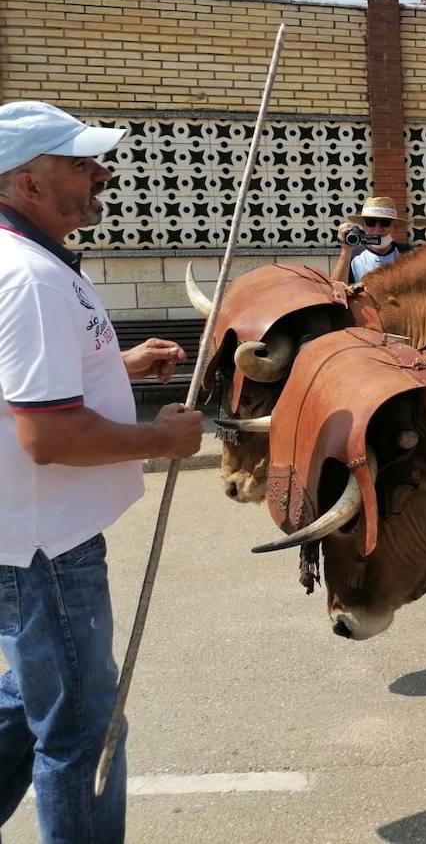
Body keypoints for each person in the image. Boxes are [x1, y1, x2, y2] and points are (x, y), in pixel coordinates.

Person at [0, 101, 203, 841]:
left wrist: (113, 364)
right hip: (46, 550)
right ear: (27, 183)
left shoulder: (23, 260)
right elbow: (48, 433)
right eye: (80, 164)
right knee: (83, 732)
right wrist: (162, 438)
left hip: (24, 541)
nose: (102, 174)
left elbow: (18, 388)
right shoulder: (28, 277)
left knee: (30, 698)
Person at [331, 195, 414, 283]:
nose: (377, 229)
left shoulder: (408, 254)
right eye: (371, 222)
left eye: (385, 222)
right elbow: (336, 291)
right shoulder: (352, 257)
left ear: (394, 226)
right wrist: (345, 252)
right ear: (363, 226)